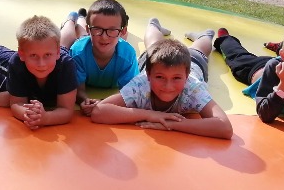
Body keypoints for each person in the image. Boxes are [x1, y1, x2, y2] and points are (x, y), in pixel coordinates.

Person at [91, 20, 233, 139]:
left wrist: (171, 124)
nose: (168, 86)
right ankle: (154, 24)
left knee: (199, 50)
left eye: (176, 78)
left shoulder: (193, 88)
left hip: (193, 63)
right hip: (154, 61)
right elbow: (99, 111)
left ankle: (205, 35)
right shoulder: (141, 84)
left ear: (186, 76)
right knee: (153, 46)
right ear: (148, 75)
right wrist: (150, 115)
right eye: (160, 77)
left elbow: (225, 127)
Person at [59, 0, 138, 117]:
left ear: (122, 31)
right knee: (73, 38)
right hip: (86, 41)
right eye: (97, 28)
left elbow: (131, 92)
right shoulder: (77, 52)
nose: (104, 37)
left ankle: (82, 17)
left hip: (94, 39)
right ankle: (71, 19)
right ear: (89, 29)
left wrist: (103, 103)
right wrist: (84, 100)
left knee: (95, 37)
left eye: (112, 29)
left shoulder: (128, 55)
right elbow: (78, 90)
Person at [8, 15, 77, 129]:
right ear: (21, 54)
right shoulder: (16, 63)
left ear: (57, 53)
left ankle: (71, 20)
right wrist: (29, 115)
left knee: (66, 42)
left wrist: (45, 118)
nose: (41, 64)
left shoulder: (66, 65)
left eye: (47, 55)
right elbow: (16, 104)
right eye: (33, 55)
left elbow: (66, 110)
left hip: (60, 51)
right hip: (51, 49)